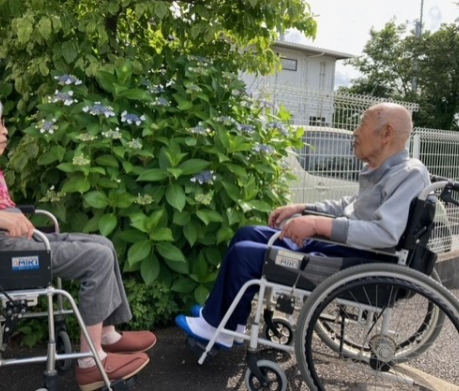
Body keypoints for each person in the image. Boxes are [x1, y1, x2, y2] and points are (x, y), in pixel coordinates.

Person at [0, 86, 156, 391]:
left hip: (9, 246)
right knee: (96, 258)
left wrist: (4, 218)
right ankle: (90, 363)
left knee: (103, 244)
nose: (5, 130)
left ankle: (106, 335)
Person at [176, 102, 431, 348]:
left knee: (246, 254)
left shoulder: (409, 174)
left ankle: (219, 328)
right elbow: (350, 206)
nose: (355, 132)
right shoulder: (387, 170)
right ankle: (228, 321)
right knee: (247, 233)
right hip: (343, 249)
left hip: (355, 263)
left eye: (362, 124)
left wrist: (318, 225)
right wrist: (303, 209)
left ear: (386, 133)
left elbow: (385, 233)